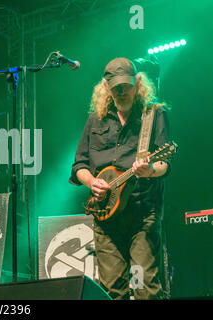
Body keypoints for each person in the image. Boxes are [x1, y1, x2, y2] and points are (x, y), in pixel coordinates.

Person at [69, 57, 171, 300]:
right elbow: (79, 166)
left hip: (142, 213)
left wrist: (150, 170)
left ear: (137, 83)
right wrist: (91, 182)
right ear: (106, 88)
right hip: (106, 218)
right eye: (116, 87)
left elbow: (165, 163)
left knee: (146, 287)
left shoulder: (153, 115)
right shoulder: (95, 120)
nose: (122, 91)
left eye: (127, 85)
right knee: (112, 291)